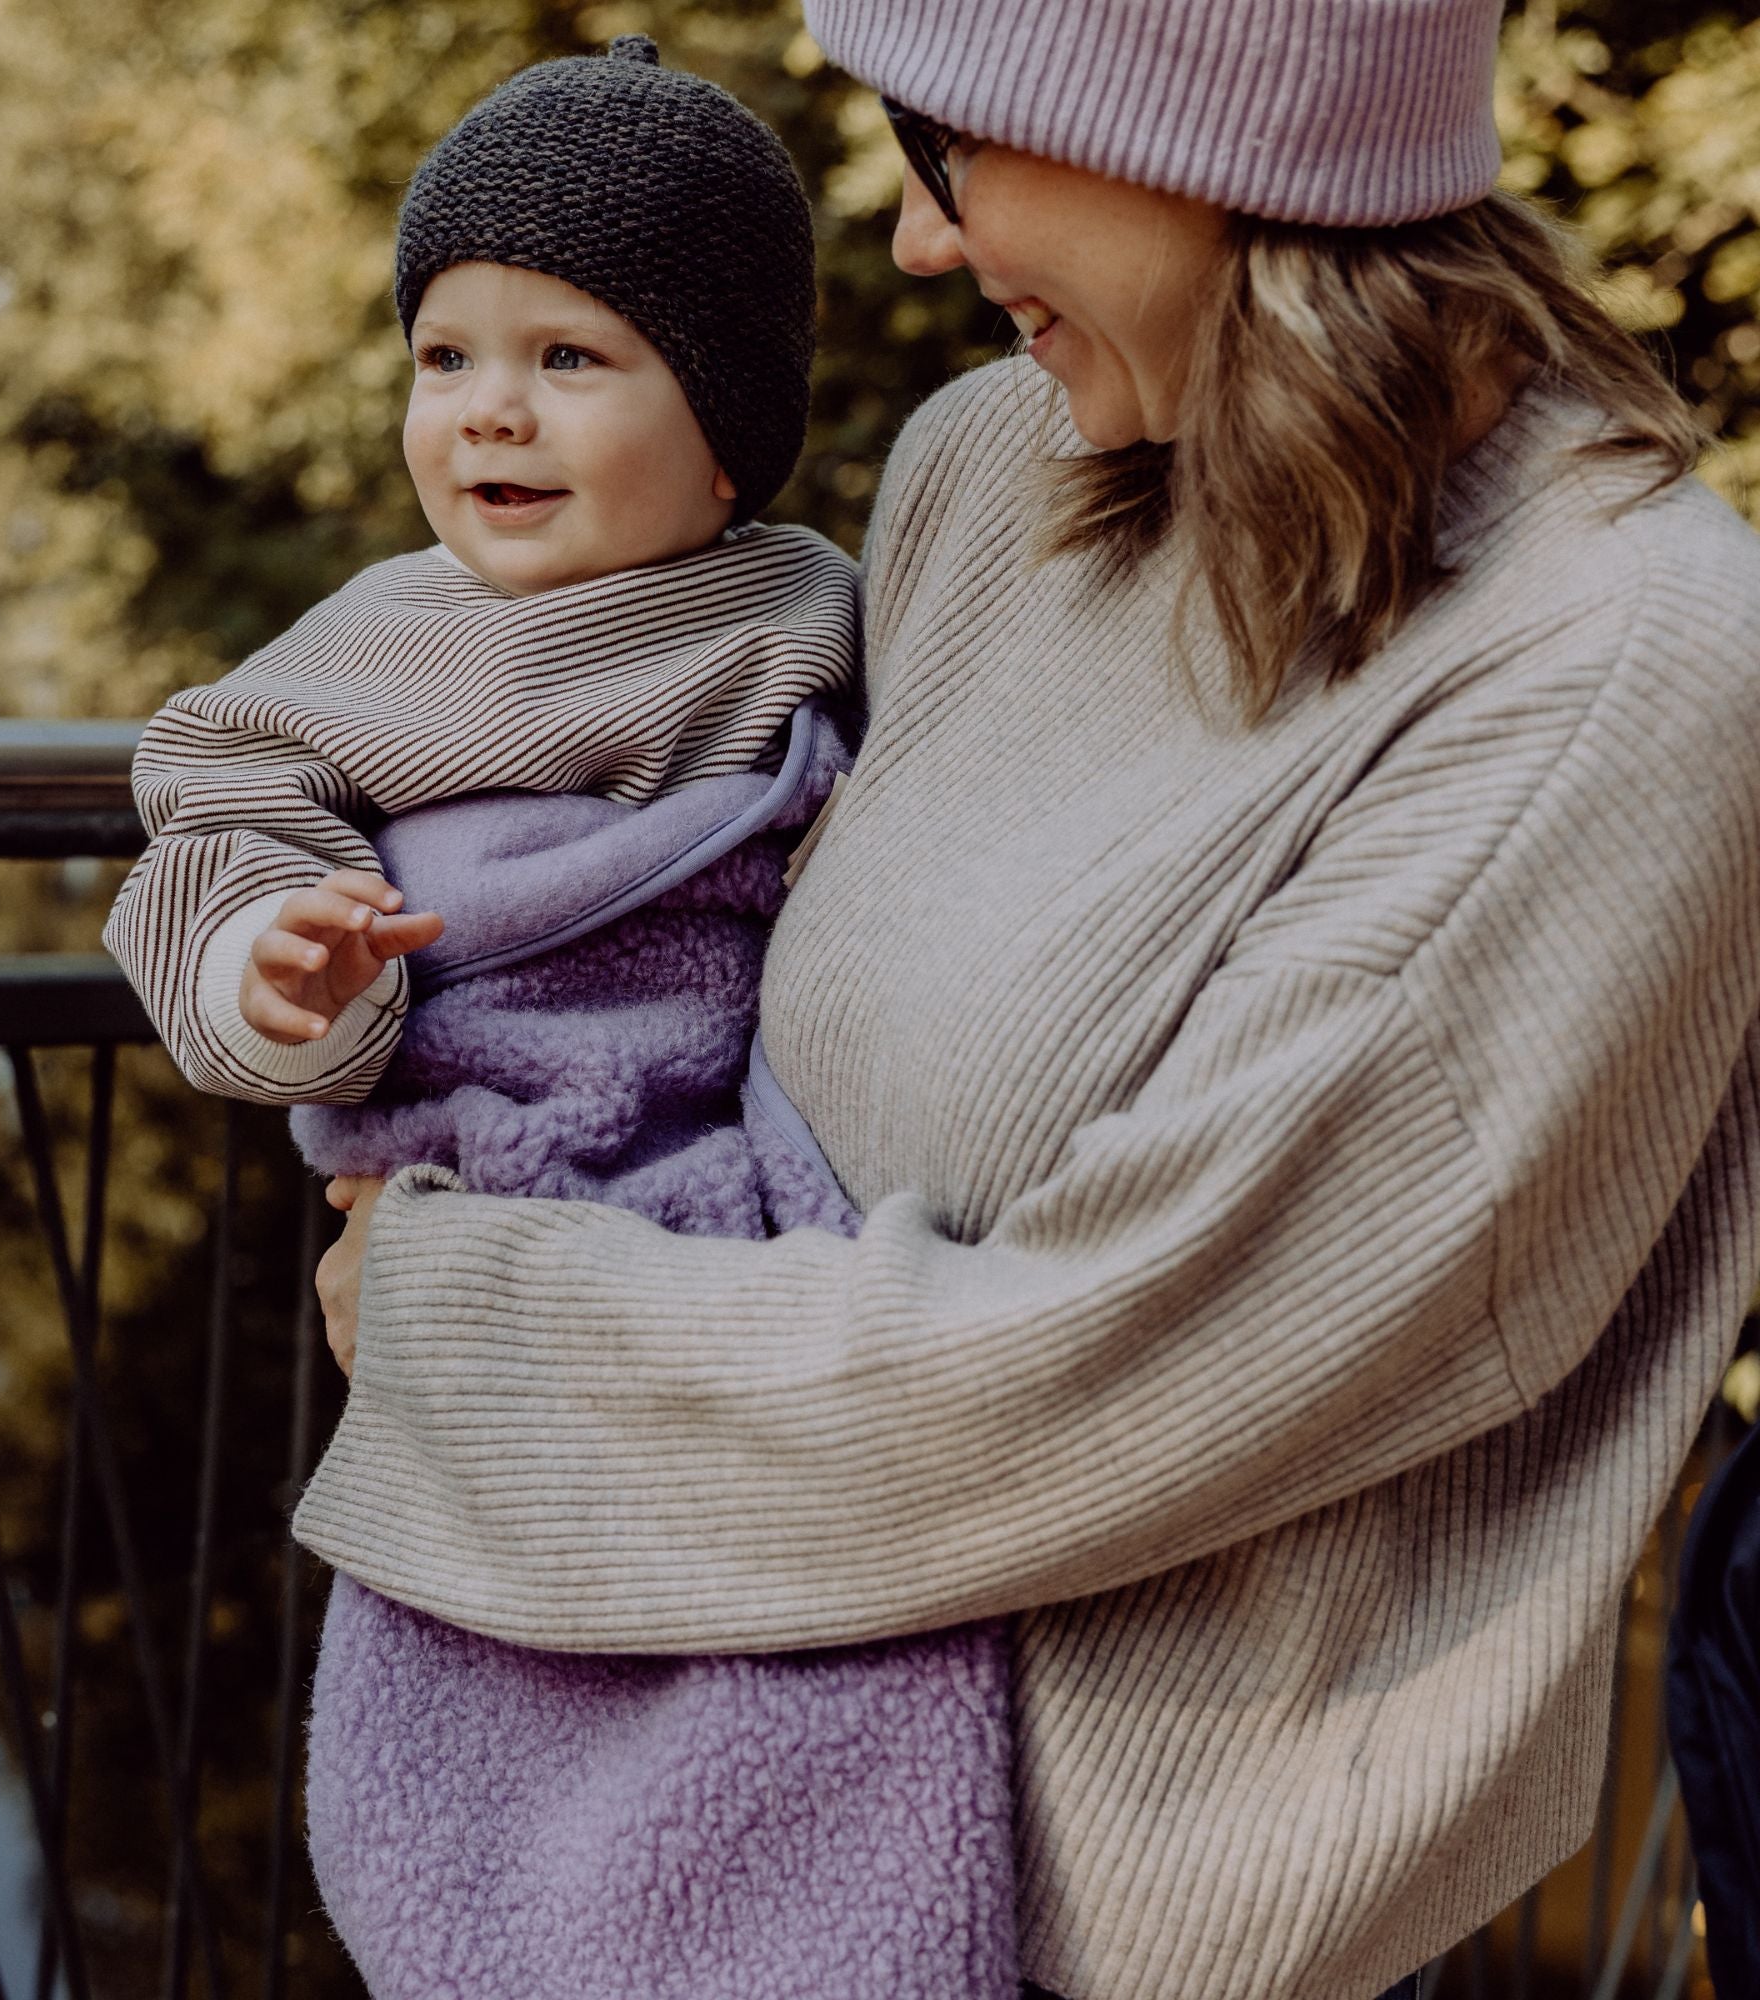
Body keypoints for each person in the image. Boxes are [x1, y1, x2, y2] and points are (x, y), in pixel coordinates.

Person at [296, 3, 1760, 1998]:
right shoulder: (998, 467)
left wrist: (464, 1326)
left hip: (1127, 1930)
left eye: (947, 142)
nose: (911, 238)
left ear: (1189, 124)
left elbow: (1121, 1366)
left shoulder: (1613, 666)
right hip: (698, 1800)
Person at [103, 36, 1021, 2000]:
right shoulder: (358, 659)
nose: (488, 414)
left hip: (750, 1211)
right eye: (446, 355)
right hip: (490, 1196)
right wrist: (286, 978)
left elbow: (899, 840)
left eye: (569, 359)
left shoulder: (807, 614)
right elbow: (209, 852)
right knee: (506, 1703)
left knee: (816, 1664)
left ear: (727, 431)